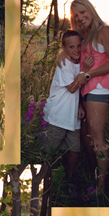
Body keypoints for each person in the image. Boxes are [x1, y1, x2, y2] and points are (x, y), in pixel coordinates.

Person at [62, 0, 109, 192]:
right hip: (84, 91)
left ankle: (101, 186)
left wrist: (88, 74)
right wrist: (62, 54)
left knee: (96, 137)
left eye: (82, 12)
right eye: (75, 15)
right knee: (85, 137)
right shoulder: (83, 35)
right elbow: (74, 56)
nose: (80, 17)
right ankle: (94, 172)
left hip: (99, 88)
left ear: (90, 10)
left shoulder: (104, 31)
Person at [42, 30, 90, 179]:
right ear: (63, 48)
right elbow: (72, 88)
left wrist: (80, 106)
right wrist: (86, 71)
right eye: (71, 47)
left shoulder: (79, 62)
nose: (75, 50)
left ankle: (68, 179)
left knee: (75, 150)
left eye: (78, 46)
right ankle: (46, 179)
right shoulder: (64, 64)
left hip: (72, 116)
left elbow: (77, 93)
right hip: (58, 115)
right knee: (49, 151)